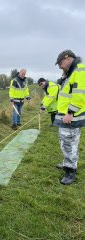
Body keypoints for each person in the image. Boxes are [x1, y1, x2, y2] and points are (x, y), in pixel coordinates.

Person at [54, 50, 85, 185]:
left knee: (70, 143)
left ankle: (71, 171)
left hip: (71, 116)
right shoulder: (71, 72)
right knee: (64, 141)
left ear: (68, 59)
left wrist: (71, 112)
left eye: (61, 63)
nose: (60, 66)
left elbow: (80, 94)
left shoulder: (79, 70)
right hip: (65, 115)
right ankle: (67, 163)